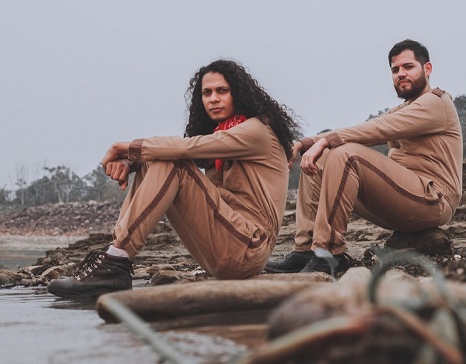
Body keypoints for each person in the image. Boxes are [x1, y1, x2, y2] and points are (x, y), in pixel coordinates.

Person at [48, 59, 298, 298]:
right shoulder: (221, 134)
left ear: (239, 94)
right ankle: (114, 257)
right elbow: (175, 151)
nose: (213, 99)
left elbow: (185, 149)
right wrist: (132, 162)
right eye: (207, 93)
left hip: (249, 247)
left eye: (222, 91)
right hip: (222, 246)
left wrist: (124, 148)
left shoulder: (256, 131)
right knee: (158, 158)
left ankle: (115, 262)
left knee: (172, 160)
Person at [265, 39, 463, 274]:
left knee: (347, 154)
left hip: (433, 200)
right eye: (395, 70)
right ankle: (305, 250)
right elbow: (367, 127)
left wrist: (326, 141)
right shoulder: (401, 110)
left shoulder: (436, 103)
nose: (401, 74)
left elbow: (377, 129)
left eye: (408, 67)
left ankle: (329, 255)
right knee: (320, 158)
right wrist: (305, 143)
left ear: (427, 69)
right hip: (402, 197)